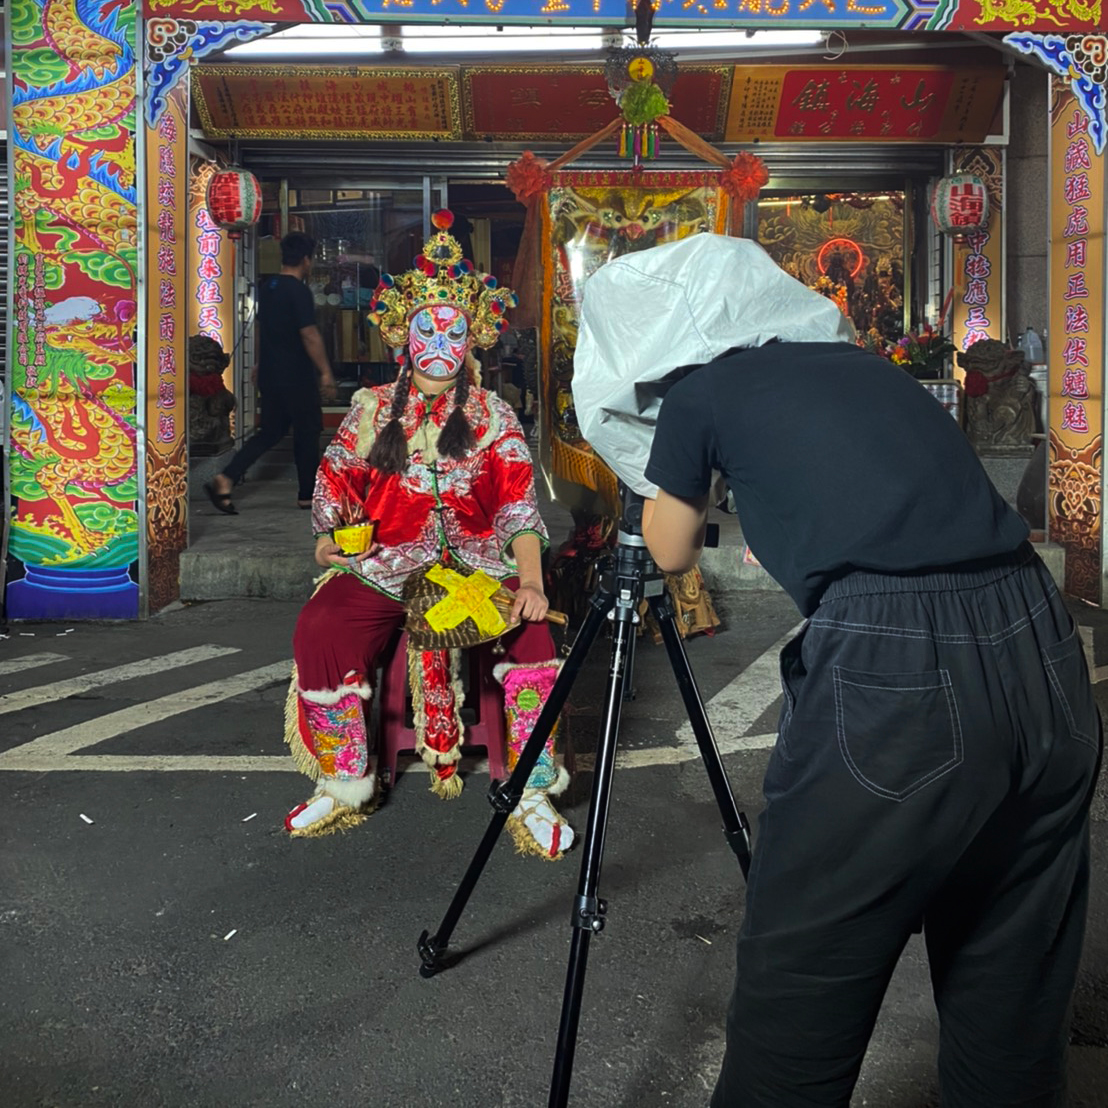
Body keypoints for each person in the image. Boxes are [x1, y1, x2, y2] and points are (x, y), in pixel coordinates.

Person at [574, 234, 1101, 1107]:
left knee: (802, 993)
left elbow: (669, 549)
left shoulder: (701, 393)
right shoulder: (873, 372)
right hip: (1037, 635)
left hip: (896, 667)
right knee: (1011, 983)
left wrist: (669, 472)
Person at [281, 210, 574, 860]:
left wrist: (528, 579)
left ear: (471, 340)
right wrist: (332, 537)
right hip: (386, 570)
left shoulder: (494, 416)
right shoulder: (369, 410)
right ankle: (345, 777)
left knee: (534, 635)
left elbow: (520, 511)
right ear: (403, 336)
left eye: (452, 328)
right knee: (321, 626)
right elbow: (335, 485)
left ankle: (531, 788)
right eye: (426, 326)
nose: (439, 339)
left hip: (477, 573)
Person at [205, 232, 338, 514]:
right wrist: (325, 372)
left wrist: (259, 364)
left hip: (271, 374)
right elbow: (310, 335)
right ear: (306, 260)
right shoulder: (298, 290)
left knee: (271, 431)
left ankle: (225, 478)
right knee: (307, 431)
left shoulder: (269, 287)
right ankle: (307, 495)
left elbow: (261, 331)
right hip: (296, 375)